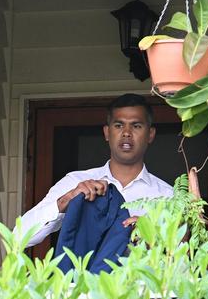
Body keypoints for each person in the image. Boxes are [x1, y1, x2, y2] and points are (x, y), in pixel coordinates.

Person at [20, 93, 173, 250]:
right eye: (119, 125)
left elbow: (182, 263)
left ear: (150, 134)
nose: (126, 133)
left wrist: (152, 235)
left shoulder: (168, 196)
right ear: (107, 132)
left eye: (136, 126)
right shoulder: (75, 181)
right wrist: (67, 199)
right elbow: (18, 237)